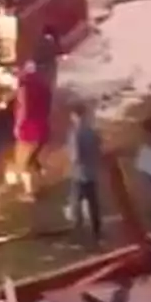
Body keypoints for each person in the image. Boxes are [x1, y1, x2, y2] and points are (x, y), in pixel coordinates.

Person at [13, 60, 53, 201]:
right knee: (33, 158)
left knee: (23, 163)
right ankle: (44, 180)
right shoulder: (44, 87)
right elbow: (48, 107)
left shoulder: (25, 88)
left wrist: (18, 126)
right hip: (43, 128)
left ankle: (29, 193)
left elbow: (23, 109)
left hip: (28, 131)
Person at [65, 101, 104, 242]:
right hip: (92, 172)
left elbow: (75, 156)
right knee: (93, 203)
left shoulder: (75, 133)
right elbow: (99, 149)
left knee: (76, 202)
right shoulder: (92, 131)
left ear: (74, 115)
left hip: (79, 173)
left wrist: (71, 161)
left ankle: (78, 230)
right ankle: (96, 230)